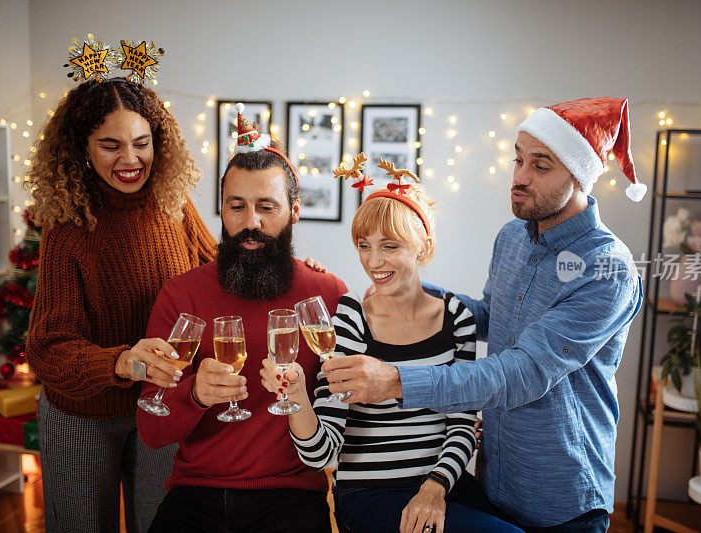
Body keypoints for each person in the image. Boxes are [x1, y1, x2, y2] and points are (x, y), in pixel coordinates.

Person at [322, 98, 647, 532]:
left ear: (578, 175)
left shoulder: (608, 269)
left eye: (541, 166)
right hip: (494, 480)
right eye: (518, 159)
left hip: (561, 494)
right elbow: (490, 316)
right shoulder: (513, 237)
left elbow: (521, 371)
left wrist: (395, 382)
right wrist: (404, 279)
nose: (519, 178)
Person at [261, 169, 522, 532]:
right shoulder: (352, 317)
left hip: (443, 484)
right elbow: (321, 453)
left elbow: (461, 425)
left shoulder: (456, 317)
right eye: (364, 245)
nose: (372, 262)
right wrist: (297, 395)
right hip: (370, 493)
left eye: (390, 246)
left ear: (424, 248)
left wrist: (436, 485)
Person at [25, 71, 219, 532]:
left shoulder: (174, 204)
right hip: (82, 414)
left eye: (142, 141)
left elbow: (221, 272)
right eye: (111, 145)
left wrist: (289, 268)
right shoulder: (67, 227)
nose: (131, 159)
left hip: (160, 405)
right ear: (82, 148)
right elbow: (47, 348)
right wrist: (123, 362)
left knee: (160, 524)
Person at [137, 109, 348, 533]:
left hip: (292, 495)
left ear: (294, 211)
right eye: (237, 206)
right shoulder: (180, 295)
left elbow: (345, 416)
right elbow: (152, 430)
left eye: (266, 207)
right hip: (196, 492)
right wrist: (194, 393)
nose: (250, 222)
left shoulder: (329, 295)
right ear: (222, 209)